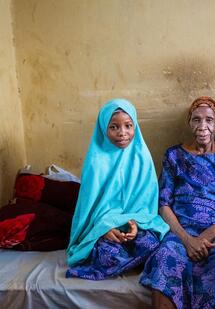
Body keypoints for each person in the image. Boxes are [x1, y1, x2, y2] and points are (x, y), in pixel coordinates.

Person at [140, 97, 215, 309]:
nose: (202, 126)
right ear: (189, 123)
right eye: (196, 120)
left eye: (209, 120)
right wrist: (187, 239)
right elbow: (163, 205)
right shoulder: (174, 156)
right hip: (181, 231)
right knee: (165, 258)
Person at [66, 98, 169, 280]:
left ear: (135, 126)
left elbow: (146, 204)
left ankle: (133, 257)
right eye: (114, 127)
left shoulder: (142, 159)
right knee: (107, 255)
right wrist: (104, 229)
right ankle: (128, 260)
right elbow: (89, 209)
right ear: (103, 129)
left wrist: (135, 225)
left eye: (128, 126)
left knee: (153, 245)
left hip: (136, 224)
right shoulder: (96, 163)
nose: (122, 133)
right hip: (104, 227)